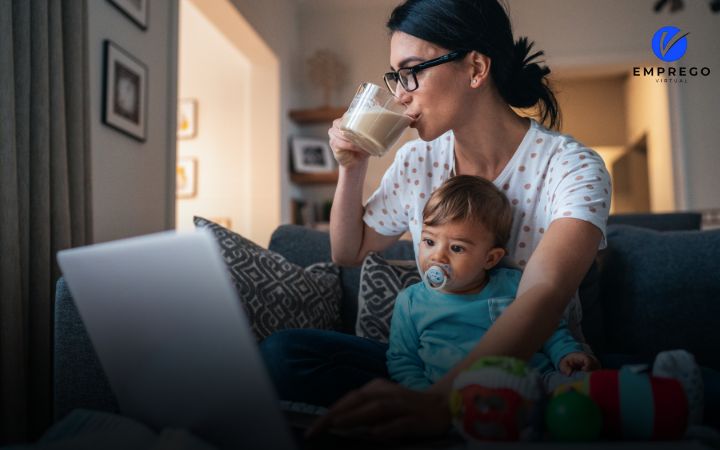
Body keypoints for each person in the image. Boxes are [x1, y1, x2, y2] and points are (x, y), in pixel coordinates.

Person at [260, 0, 611, 439]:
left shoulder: (572, 167)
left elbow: (542, 294)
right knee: (284, 353)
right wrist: (352, 166)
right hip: (429, 370)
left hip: (534, 367)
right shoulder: (416, 161)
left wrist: (442, 399)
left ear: (476, 69)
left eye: (413, 71)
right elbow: (347, 251)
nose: (402, 93)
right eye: (396, 76)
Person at [387, 175, 599, 393]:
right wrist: (423, 398)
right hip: (453, 399)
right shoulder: (410, 302)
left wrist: (566, 353)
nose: (437, 257)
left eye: (457, 248)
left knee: (587, 390)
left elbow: (547, 328)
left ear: (490, 259)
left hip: (533, 383)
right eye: (429, 242)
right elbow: (403, 361)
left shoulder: (514, 284)